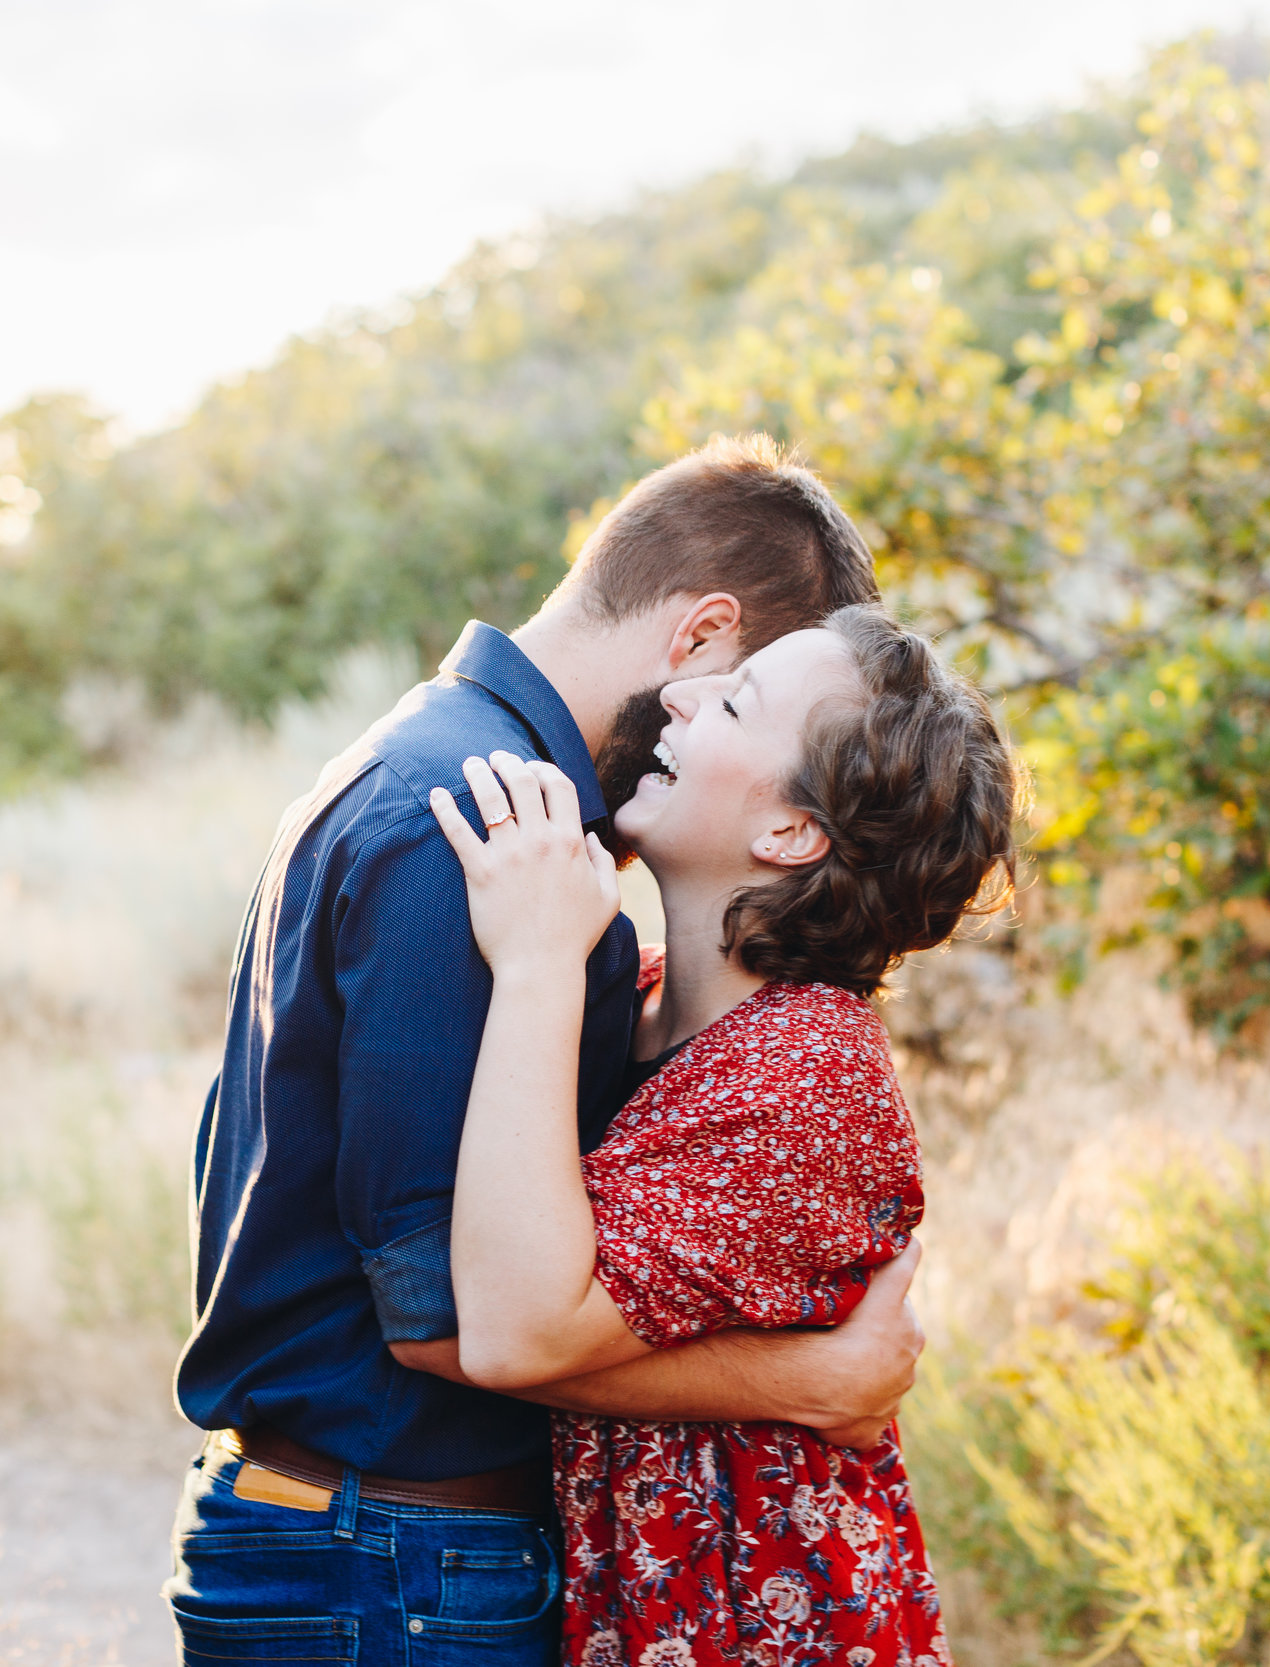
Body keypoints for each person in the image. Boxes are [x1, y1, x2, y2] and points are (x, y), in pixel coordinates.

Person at [167, 437, 926, 1666]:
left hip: (378, 1549)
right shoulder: (478, 828)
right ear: (698, 635)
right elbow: (449, 1317)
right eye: (733, 686)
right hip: (392, 1556)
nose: (688, 712)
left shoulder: (451, 784)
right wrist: (804, 1381)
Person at [425, 603, 1018, 1667]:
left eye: (734, 699)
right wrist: (809, 1380)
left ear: (789, 833)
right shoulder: (639, 999)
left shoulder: (807, 1070)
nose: (680, 693)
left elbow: (513, 1331)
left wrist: (535, 963)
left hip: (754, 1627)